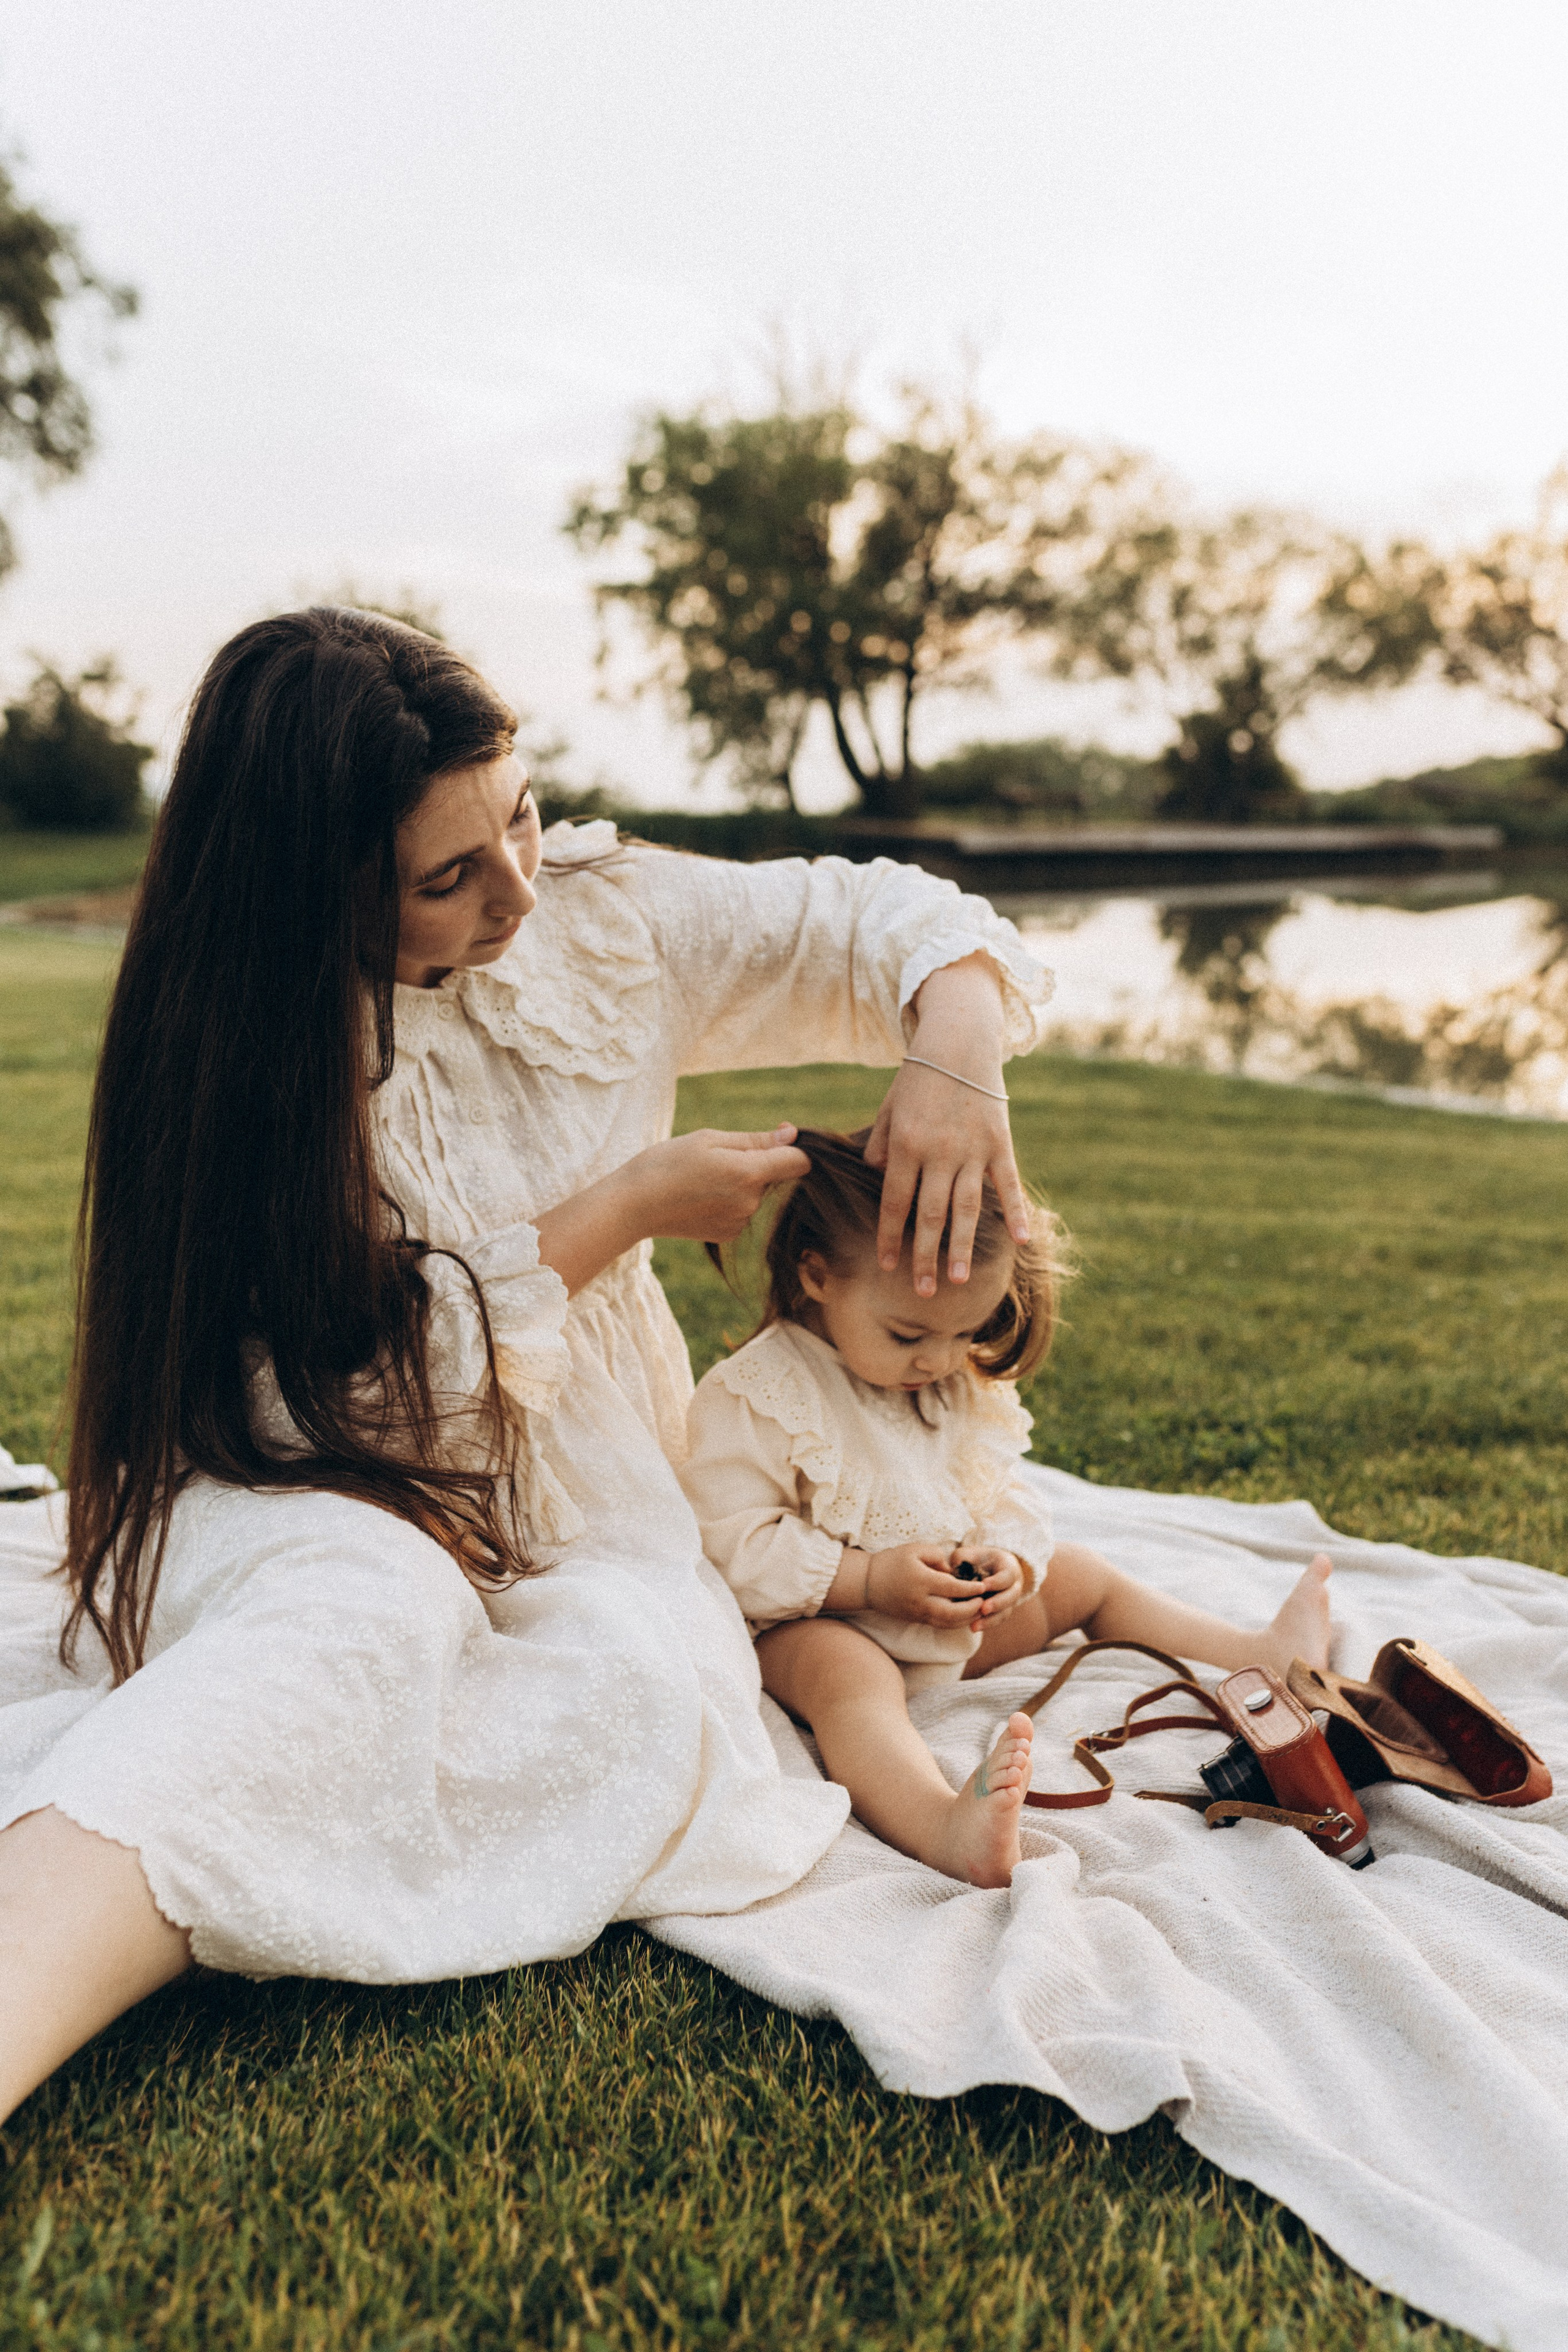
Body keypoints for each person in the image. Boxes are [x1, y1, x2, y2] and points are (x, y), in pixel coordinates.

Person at [0, 607, 1057, 2124]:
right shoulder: (250, 1051)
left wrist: (954, 1059)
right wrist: (613, 1213)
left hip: (581, 1486)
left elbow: (876, 918)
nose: (518, 888)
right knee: (359, 1620)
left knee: (636, 1678)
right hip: (300, 1472)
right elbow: (325, 1398)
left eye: (522, 813)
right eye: (448, 876)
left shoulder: (596, 918)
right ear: (317, 894)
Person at [680, 1129, 1335, 1889]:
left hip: (946, 1629)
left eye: (966, 1331)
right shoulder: (761, 1393)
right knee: (847, 1675)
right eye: (909, 1333)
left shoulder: (948, 1376)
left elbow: (1004, 1490)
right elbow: (727, 1545)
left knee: (1081, 1573)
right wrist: (865, 1581)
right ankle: (937, 1823)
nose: (936, 1358)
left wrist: (1008, 1563)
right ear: (818, 1275)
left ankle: (1257, 1655)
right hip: (816, 1626)